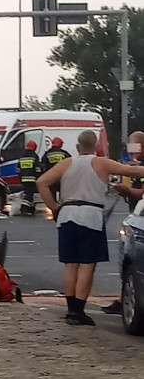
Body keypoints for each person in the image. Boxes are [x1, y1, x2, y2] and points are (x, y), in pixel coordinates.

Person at [38, 130, 144, 326]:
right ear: (95, 147)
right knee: (87, 264)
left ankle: (71, 310)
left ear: (78, 147)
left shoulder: (66, 164)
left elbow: (41, 182)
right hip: (90, 216)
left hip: (67, 214)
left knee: (70, 264)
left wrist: (54, 207)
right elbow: (133, 171)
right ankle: (79, 310)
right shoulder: (101, 162)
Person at [102, 131, 144, 316]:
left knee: (133, 258)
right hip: (137, 215)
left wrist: (127, 190)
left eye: (136, 147)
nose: (133, 152)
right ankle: (126, 296)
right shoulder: (138, 165)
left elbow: (142, 192)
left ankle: (128, 296)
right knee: (129, 261)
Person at [42, 137, 71, 203]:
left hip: (51, 178)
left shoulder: (47, 154)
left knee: (52, 194)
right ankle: (62, 206)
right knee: (63, 194)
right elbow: (70, 164)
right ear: (60, 144)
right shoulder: (64, 153)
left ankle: (54, 208)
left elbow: (43, 166)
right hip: (61, 178)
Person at [17, 140, 41, 215]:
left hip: (23, 179)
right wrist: (39, 177)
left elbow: (18, 169)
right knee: (29, 194)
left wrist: (20, 177)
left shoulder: (21, 156)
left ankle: (31, 209)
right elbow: (37, 169)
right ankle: (23, 208)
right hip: (32, 178)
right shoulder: (34, 156)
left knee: (28, 193)